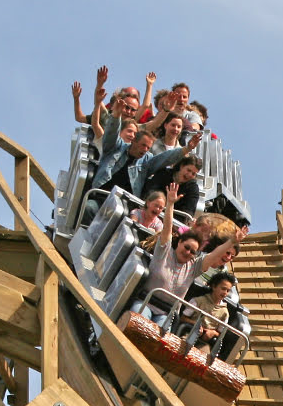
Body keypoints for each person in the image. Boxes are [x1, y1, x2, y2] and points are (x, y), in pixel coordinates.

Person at [129, 183, 249, 327]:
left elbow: (214, 255)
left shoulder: (193, 267)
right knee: (139, 323)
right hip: (146, 302)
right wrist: (171, 204)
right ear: (179, 243)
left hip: (165, 312)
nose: (188, 252)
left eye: (193, 252)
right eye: (186, 248)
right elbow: (167, 228)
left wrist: (232, 242)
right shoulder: (165, 252)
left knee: (159, 333)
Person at [84, 92, 202, 224]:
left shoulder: (146, 161)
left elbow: (165, 158)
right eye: (143, 146)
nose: (145, 150)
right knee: (89, 208)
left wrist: (186, 149)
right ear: (134, 141)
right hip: (101, 196)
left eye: (148, 147)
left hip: (125, 205)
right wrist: (116, 115)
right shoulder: (116, 147)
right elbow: (111, 133)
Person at [181, 271, 236, 351]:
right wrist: (196, 325)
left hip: (204, 343)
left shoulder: (224, 312)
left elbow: (220, 333)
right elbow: (183, 318)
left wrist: (213, 332)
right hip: (189, 334)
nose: (225, 293)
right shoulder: (198, 301)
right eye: (223, 289)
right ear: (214, 286)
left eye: (228, 291)